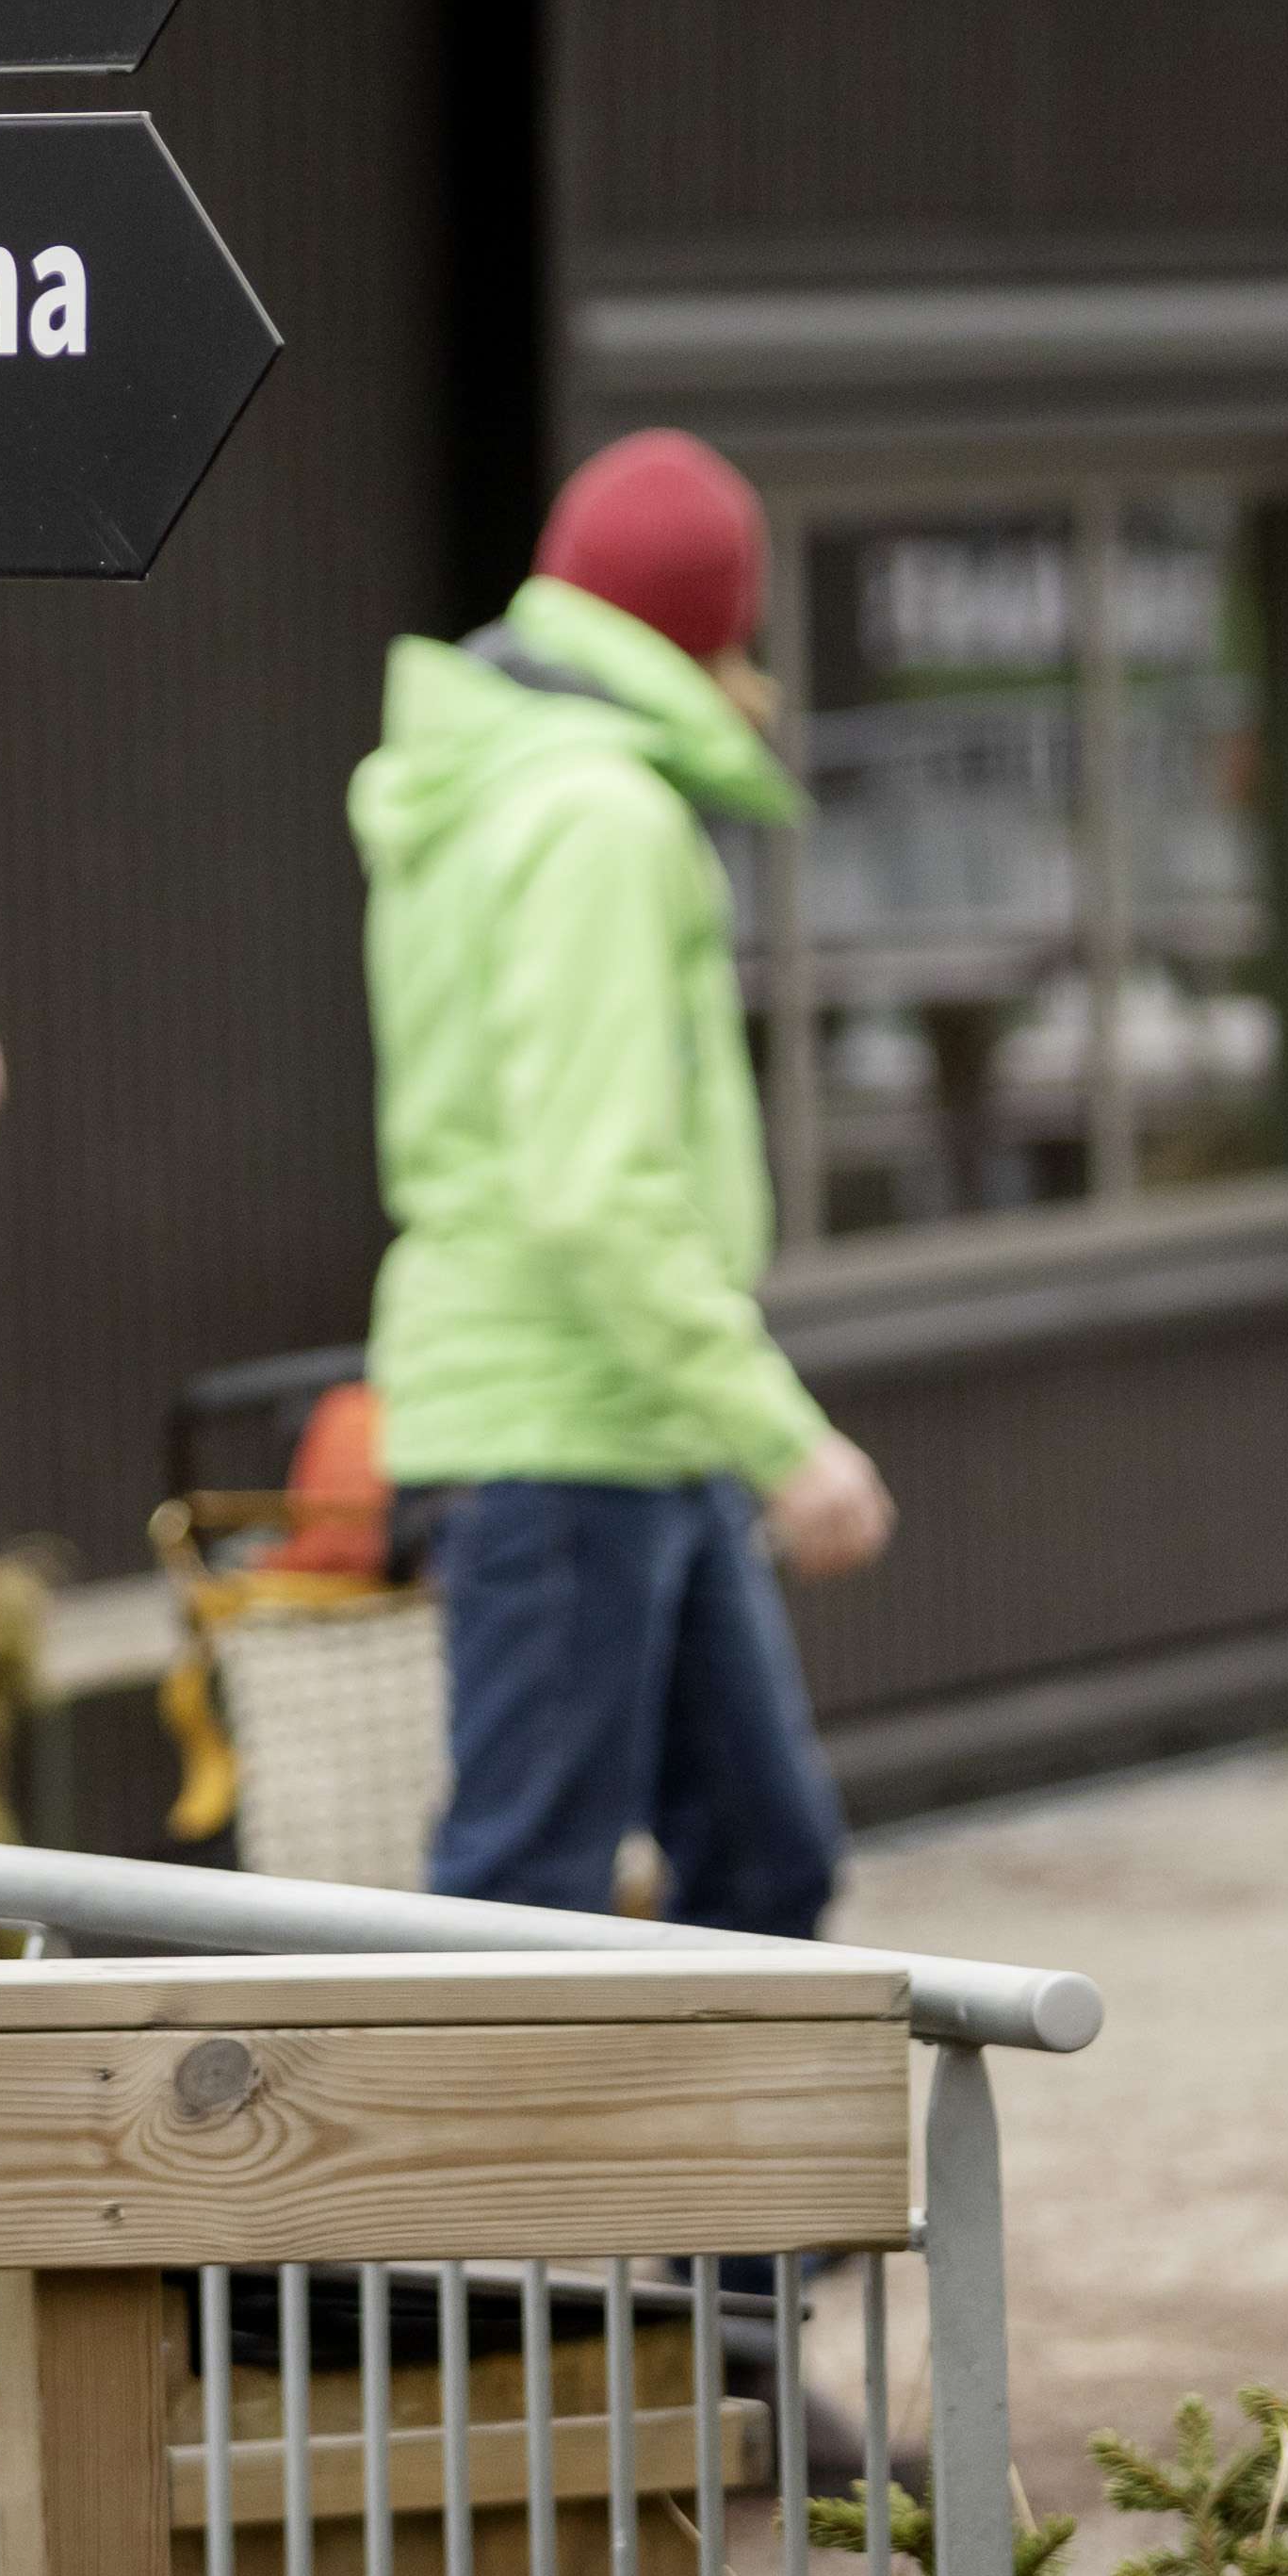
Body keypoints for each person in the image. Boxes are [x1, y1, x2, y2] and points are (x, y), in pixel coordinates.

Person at [354, 428, 894, 1940]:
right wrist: (783, 1437)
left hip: (623, 1421)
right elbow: (595, 1185)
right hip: (565, 1424)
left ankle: (702, 2184)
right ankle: (469, 2188)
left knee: (762, 1865)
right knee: (522, 1906)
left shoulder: (498, 777)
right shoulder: (597, 815)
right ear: (718, 625)